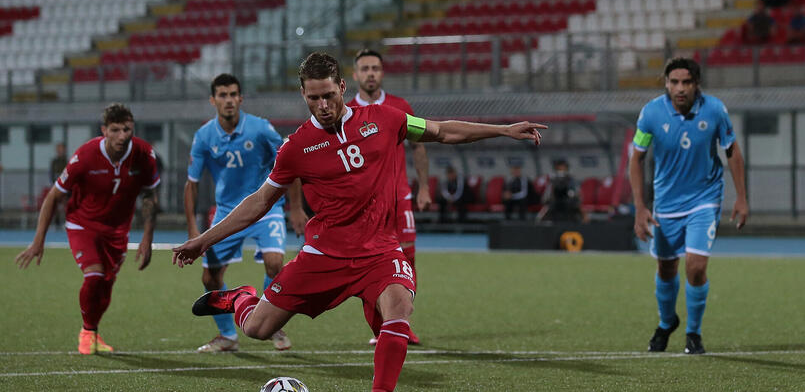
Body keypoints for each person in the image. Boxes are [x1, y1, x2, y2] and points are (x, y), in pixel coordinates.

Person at [172, 52, 544, 392]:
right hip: (324, 256)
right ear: (302, 94)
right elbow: (259, 201)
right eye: (313, 98)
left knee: (399, 308)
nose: (322, 105)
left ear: (343, 88)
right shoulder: (296, 148)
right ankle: (241, 298)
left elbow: (441, 131)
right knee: (258, 329)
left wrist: (503, 129)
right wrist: (204, 240)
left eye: (329, 95)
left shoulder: (387, 119)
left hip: (380, 251)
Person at [15, 103, 160, 355]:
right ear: (104, 130)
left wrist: (147, 239)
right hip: (83, 224)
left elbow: (150, 195)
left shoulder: (144, 154)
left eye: (127, 129)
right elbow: (53, 197)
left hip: (118, 230)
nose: (122, 135)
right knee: (93, 276)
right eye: (115, 130)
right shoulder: (85, 155)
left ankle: (92, 330)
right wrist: (38, 240)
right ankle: (87, 331)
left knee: (106, 286)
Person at [630, 57, 749, 355]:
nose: (679, 88)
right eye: (674, 82)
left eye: (686, 82)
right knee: (667, 268)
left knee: (696, 267)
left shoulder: (715, 110)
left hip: (704, 200)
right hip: (666, 205)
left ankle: (693, 334)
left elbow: (732, 152)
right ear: (666, 84)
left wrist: (742, 197)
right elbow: (637, 158)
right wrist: (640, 207)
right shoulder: (651, 114)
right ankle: (666, 322)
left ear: (697, 85)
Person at [184, 73, 304, 353]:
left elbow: (290, 161)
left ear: (241, 98)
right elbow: (191, 184)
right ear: (213, 100)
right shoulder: (204, 136)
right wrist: (193, 228)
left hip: (266, 207)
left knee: (275, 263)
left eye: (233, 94)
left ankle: (269, 321)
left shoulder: (261, 129)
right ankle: (228, 336)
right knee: (210, 279)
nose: (228, 100)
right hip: (227, 212)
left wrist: (296, 208)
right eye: (222, 95)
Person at [348, 49, 430, 346]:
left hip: (400, 197)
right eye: (365, 68)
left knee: (407, 260)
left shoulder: (399, 106)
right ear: (355, 75)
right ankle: (380, 327)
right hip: (366, 205)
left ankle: (401, 323)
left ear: (382, 73)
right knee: (367, 265)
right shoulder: (347, 112)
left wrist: (423, 187)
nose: (371, 73)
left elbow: (419, 146)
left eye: (376, 68)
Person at [48, 142, 67, 229]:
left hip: (66, 187)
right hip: (56, 186)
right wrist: (54, 184)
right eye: (58, 149)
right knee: (54, 204)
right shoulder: (54, 162)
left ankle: (66, 222)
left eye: (61, 149)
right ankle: (56, 223)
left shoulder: (67, 161)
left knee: (65, 204)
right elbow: (51, 174)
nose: (60, 151)